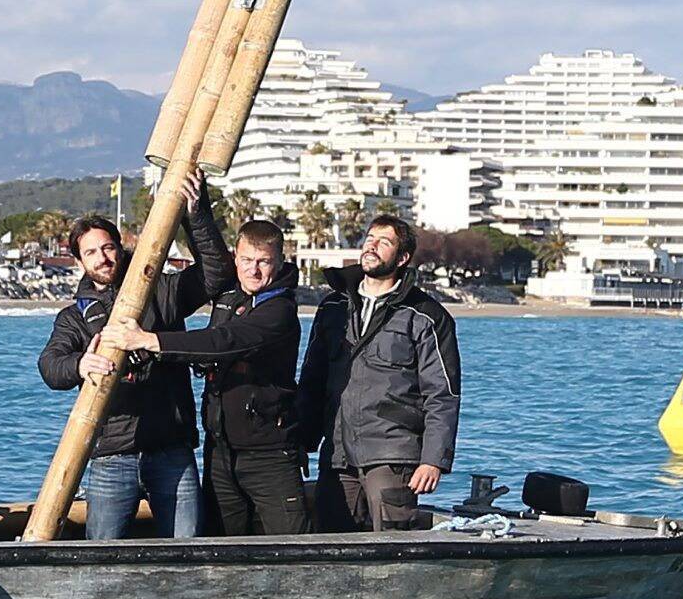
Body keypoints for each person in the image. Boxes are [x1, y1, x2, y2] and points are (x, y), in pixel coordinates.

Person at [39, 182, 227, 538]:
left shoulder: (163, 293)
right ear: (79, 262)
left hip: (172, 449)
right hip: (111, 457)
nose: (103, 258)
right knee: (101, 559)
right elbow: (50, 366)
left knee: (187, 551)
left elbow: (216, 274)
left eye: (108, 247)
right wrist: (80, 364)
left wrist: (195, 213)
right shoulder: (73, 319)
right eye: (91, 252)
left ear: (121, 250)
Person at [111, 215, 309, 535]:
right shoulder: (229, 293)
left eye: (263, 262)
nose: (253, 270)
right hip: (220, 452)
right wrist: (196, 207)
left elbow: (223, 342)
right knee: (219, 546)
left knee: (290, 547)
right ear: (236, 257)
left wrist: (151, 340)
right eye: (246, 260)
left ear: (279, 262)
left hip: (270, 455)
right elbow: (210, 256)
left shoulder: (280, 312)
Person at [298, 213, 461, 532]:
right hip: (337, 453)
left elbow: (442, 394)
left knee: (393, 548)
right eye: (369, 239)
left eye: (383, 242)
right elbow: (312, 381)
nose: (372, 246)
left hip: (393, 454)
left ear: (402, 258)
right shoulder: (333, 307)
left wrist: (433, 459)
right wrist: (302, 441)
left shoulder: (426, 316)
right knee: (331, 546)